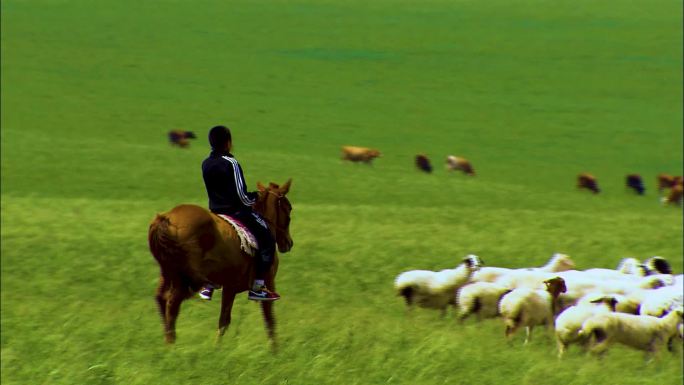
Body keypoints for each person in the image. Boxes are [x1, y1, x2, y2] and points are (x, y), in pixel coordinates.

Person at [198, 125, 280, 302]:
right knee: (267, 238)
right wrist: (256, 197)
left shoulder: (205, 163)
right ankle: (258, 287)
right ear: (228, 143)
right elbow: (242, 196)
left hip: (215, 212)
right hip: (235, 212)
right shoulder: (231, 163)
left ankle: (208, 285)